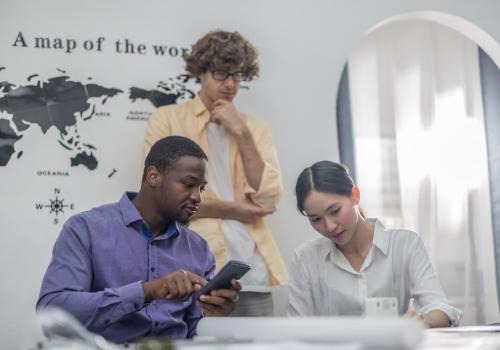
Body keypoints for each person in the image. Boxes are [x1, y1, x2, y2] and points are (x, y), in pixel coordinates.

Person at [37, 136, 240, 344]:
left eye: (201, 188)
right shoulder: (85, 229)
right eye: (189, 184)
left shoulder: (199, 249)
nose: (197, 197)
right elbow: (51, 312)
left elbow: (194, 333)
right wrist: (147, 291)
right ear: (153, 176)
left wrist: (214, 316)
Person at [143, 30, 287, 316]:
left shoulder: (254, 129)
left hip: (254, 269)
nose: (230, 84)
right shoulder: (167, 119)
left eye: (237, 75)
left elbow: (268, 200)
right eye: (221, 74)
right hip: (191, 268)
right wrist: (238, 209)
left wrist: (242, 133)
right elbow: (162, 199)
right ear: (201, 72)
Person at [287, 160, 462, 328]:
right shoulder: (305, 259)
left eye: (335, 211)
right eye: (316, 219)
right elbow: (295, 329)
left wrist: (422, 321)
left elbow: (440, 309)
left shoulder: (405, 245)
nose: (329, 226)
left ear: (355, 196)